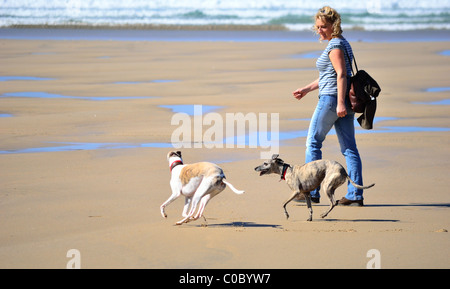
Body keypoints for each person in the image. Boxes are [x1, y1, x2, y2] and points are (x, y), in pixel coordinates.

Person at [292, 6, 364, 206]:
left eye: (324, 26)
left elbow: (341, 75)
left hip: (332, 100)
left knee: (313, 143)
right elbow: (328, 76)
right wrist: (307, 89)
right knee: (350, 149)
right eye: (318, 27)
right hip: (340, 100)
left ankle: (311, 191)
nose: (320, 30)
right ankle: (355, 195)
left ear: (334, 25)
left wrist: (340, 102)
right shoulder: (341, 43)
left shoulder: (335, 46)